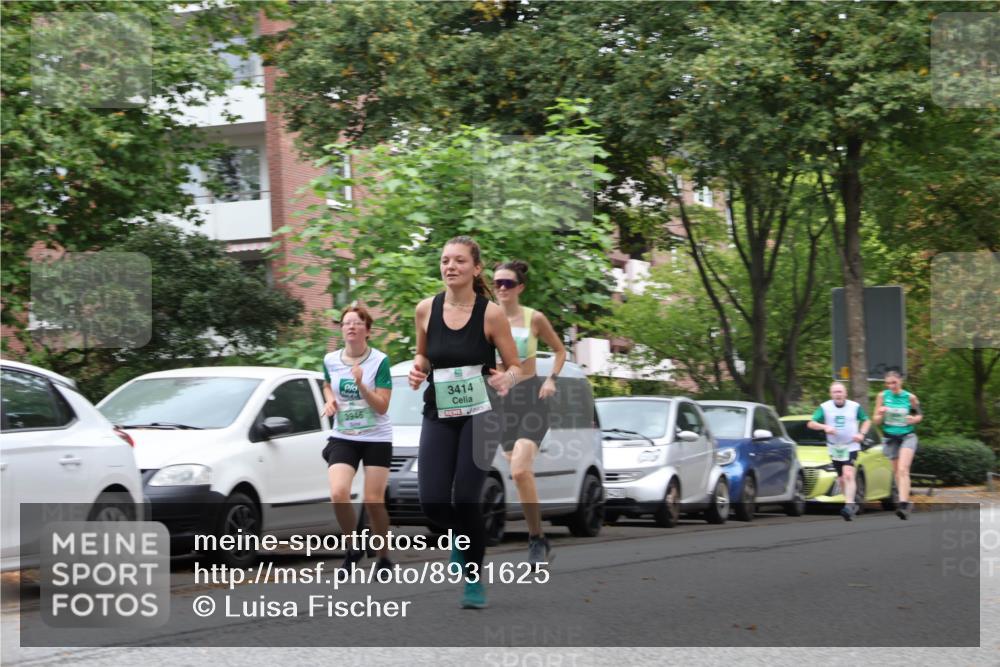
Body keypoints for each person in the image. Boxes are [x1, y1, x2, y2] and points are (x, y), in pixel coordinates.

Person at [407, 236, 523, 609]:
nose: (450, 266)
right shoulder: (425, 309)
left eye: (459, 260)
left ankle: (473, 577)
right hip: (438, 411)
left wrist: (508, 377)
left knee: (468, 497)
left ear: (475, 269)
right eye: (444, 260)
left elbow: (515, 364)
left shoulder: (489, 314)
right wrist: (416, 369)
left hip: (481, 413)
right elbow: (424, 357)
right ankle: (462, 538)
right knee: (433, 501)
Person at [492, 260, 567, 565]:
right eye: (497, 282)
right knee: (519, 474)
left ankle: (535, 539)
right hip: (503, 404)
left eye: (508, 283)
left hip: (532, 398)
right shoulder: (488, 320)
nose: (501, 288)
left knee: (520, 470)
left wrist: (551, 379)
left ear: (520, 287)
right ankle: (540, 536)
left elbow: (560, 351)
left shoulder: (533, 318)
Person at [321, 305, 394, 571]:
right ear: (341, 330)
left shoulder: (380, 361)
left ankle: (384, 557)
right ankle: (354, 546)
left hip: (376, 436)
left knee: (373, 500)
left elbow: (383, 406)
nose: (351, 326)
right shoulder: (331, 359)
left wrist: (362, 385)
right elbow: (327, 383)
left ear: (368, 331)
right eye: (346, 323)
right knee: (338, 493)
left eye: (357, 323)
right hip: (344, 435)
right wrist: (330, 401)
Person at [807, 381, 872, 521]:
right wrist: (824, 427)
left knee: (849, 473)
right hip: (835, 447)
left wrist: (861, 434)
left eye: (840, 391)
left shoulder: (854, 407)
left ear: (845, 393)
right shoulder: (824, 407)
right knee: (841, 479)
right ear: (831, 394)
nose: (838, 394)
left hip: (851, 445)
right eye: (835, 392)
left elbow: (866, 420)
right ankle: (850, 503)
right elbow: (811, 423)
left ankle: (849, 506)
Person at [873, 370, 922, 520]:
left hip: (907, 436)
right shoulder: (882, 396)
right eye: (888, 383)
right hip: (890, 438)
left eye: (894, 382)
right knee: (896, 472)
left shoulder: (910, 398)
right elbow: (875, 421)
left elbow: (919, 415)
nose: (891, 386)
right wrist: (880, 414)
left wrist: (913, 419)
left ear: (901, 381)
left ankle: (903, 504)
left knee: (903, 469)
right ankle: (906, 502)